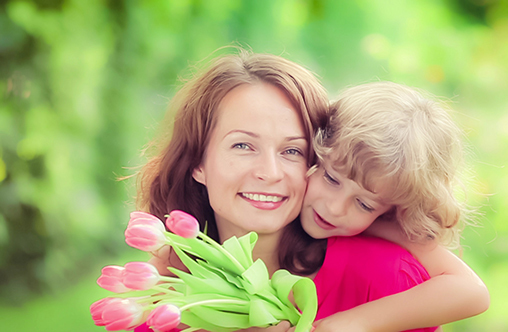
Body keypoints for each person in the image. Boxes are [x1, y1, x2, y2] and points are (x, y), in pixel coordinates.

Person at [133, 50, 485, 332]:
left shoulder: (385, 276)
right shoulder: (172, 299)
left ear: (311, 159)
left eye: (291, 151)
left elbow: (469, 292)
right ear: (198, 162)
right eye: (242, 146)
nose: (270, 173)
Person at [293, 81, 489, 331]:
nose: (335, 208)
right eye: (331, 179)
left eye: (364, 204)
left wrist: (355, 322)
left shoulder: (380, 227)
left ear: (391, 210)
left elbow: (473, 292)